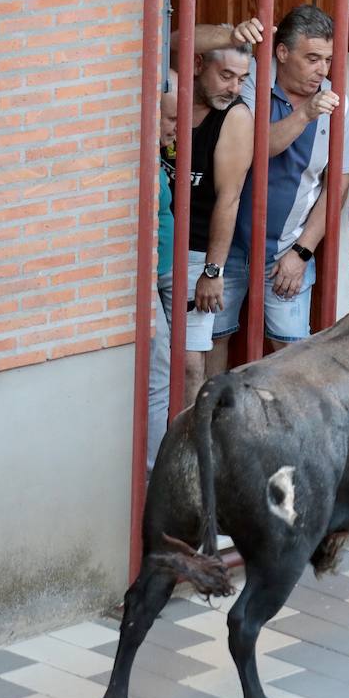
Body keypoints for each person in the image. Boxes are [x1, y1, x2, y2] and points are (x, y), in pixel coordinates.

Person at [194, 6, 349, 364]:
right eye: (312, 58)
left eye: (328, 59)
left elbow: (337, 185)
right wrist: (305, 114)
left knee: (294, 356)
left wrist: (302, 252)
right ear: (282, 53)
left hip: (287, 250)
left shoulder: (337, 101)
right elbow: (256, 148)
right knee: (211, 347)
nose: (322, 70)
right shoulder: (251, 78)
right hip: (228, 245)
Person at [159, 39, 255, 402]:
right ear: (198, 64)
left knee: (189, 362)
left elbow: (228, 201)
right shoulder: (172, 92)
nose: (233, 88)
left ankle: (190, 451)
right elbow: (177, 31)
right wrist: (230, 31)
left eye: (241, 79)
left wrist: (212, 272)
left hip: (196, 253)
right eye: (226, 75)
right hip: (152, 245)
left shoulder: (234, 118)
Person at [146, 72, 180, 470]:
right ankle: (154, 478)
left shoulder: (159, 151)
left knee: (176, 364)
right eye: (171, 119)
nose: (178, 126)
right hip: (150, 279)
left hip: (168, 273)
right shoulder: (139, 159)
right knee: (158, 375)